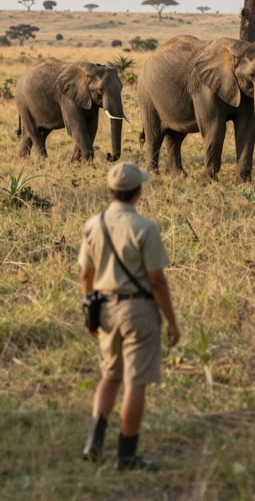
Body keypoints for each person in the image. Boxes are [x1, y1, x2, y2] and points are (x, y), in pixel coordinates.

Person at [78, 162, 180, 471]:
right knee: (135, 382)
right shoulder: (145, 228)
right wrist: (172, 321)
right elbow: (157, 281)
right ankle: (127, 455)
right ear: (139, 192)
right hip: (138, 311)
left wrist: (89, 310)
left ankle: (93, 442)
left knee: (110, 376)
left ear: (110, 191)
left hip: (105, 308)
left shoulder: (93, 224)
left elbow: (86, 274)